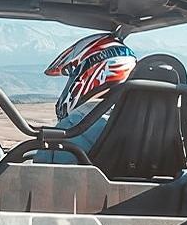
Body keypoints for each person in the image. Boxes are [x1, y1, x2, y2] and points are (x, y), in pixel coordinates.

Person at [36, 32, 137, 162]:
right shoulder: (140, 121)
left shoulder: (71, 128)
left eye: (72, 77)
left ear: (92, 73)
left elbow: (39, 175)